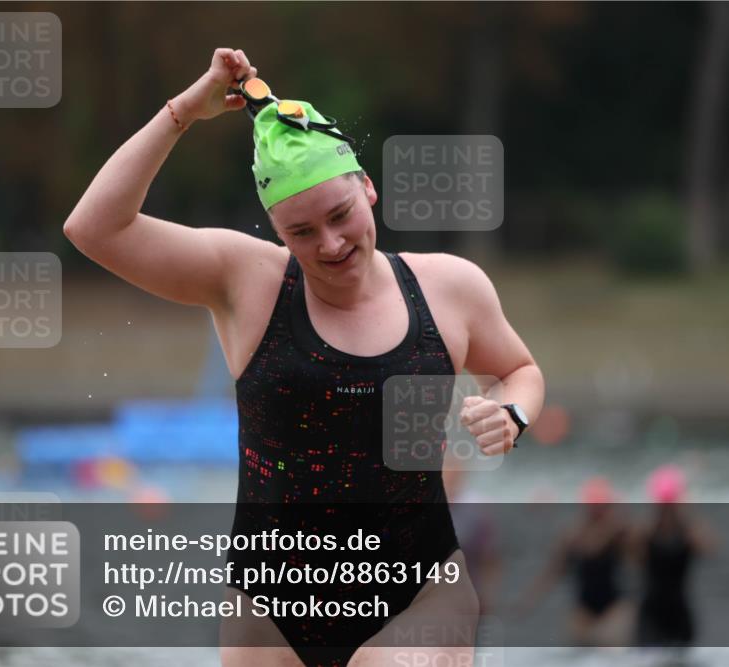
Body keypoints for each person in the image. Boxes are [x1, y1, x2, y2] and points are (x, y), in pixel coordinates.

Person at [63, 48, 544, 667]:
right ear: (274, 229)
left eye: (340, 216)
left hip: (420, 592)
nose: (332, 244)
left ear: (367, 188)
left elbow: (519, 371)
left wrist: (513, 415)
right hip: (268, 610)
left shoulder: (451, 288)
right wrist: (183, 112)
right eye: (302, 232)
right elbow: (93, 228)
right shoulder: (247, 281)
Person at [514, 477, 635, 647]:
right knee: (578, 650)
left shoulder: (619, 532)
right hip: (583, 607)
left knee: (611, 646)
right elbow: (553, 572)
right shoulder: (573, 535)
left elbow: (639, 554)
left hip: (613, 605)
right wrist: (528, 601)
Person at [630, 465, 716, 648]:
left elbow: (710, 549)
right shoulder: (646, 530)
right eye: (663, 505)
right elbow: (632, 558)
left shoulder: (689, 530)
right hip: (651, 611)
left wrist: (687, 517)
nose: (667, 510)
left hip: (680, 609)